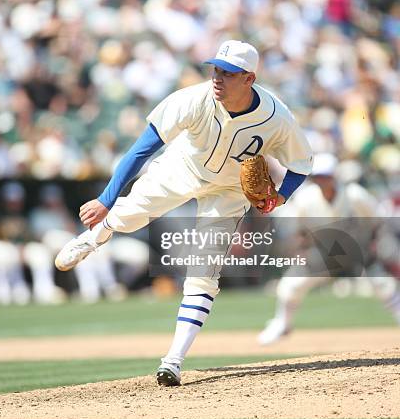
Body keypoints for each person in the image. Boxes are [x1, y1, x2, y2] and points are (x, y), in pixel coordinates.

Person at [55, 40, 313, 386]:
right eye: (216, 69)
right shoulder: (192, 99)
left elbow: (301, 164)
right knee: (128, 213)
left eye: (229, 73)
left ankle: (173, 361)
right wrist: (106, 199)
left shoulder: (276, 118)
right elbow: (140, 150)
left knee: (204, 271)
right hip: (183, 167)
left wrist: (281, 197)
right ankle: (91, 239)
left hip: (228, 189)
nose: (218, 78)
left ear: (249, 78)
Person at [258, 153, 400, 345]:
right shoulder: (306, 198)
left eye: (326, 176)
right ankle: (282, 324)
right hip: (324, 253)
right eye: (319, 177)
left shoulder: (355, 195)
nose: (323, 181)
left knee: (384, 285)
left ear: (335, 176)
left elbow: (378, 220)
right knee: (290, 285)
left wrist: (374, 244)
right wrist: (301, 250)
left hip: (358, 249)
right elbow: (296, 229)